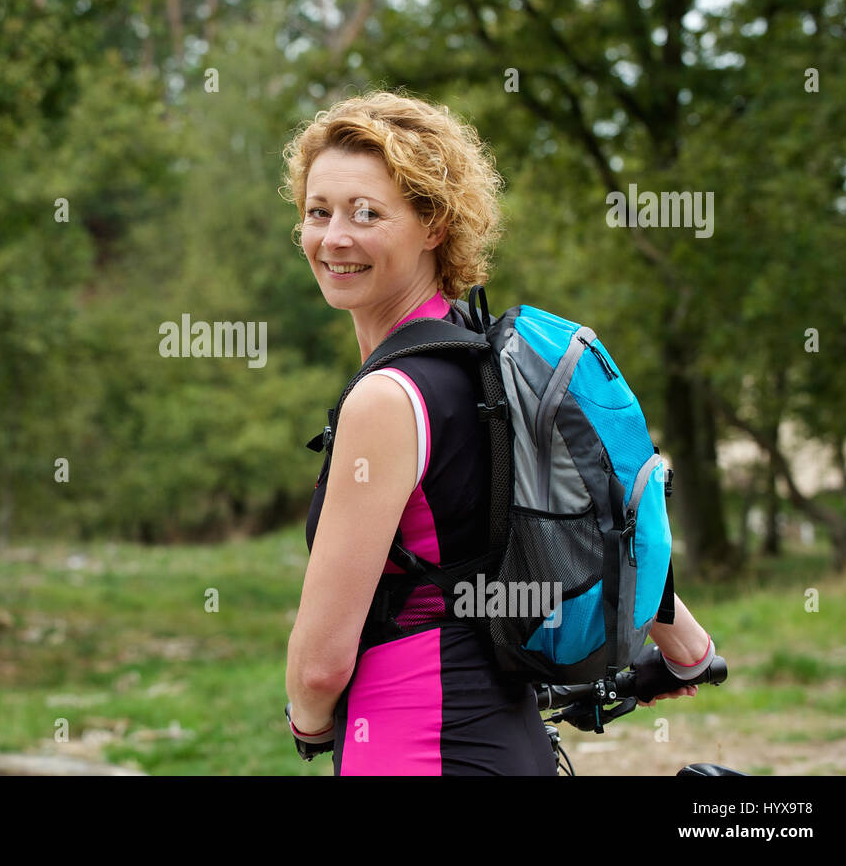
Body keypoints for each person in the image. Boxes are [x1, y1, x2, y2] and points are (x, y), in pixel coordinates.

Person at [281, 89, 715, 775]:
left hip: (415, 746)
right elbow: (595, 516)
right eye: (318, 211)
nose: (334, 237)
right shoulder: (496, 362)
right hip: (511, 746)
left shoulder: (385, 399)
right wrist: (688, 648)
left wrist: (306, 722)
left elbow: (321, 661)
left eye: (367, 213)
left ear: (433, 224)